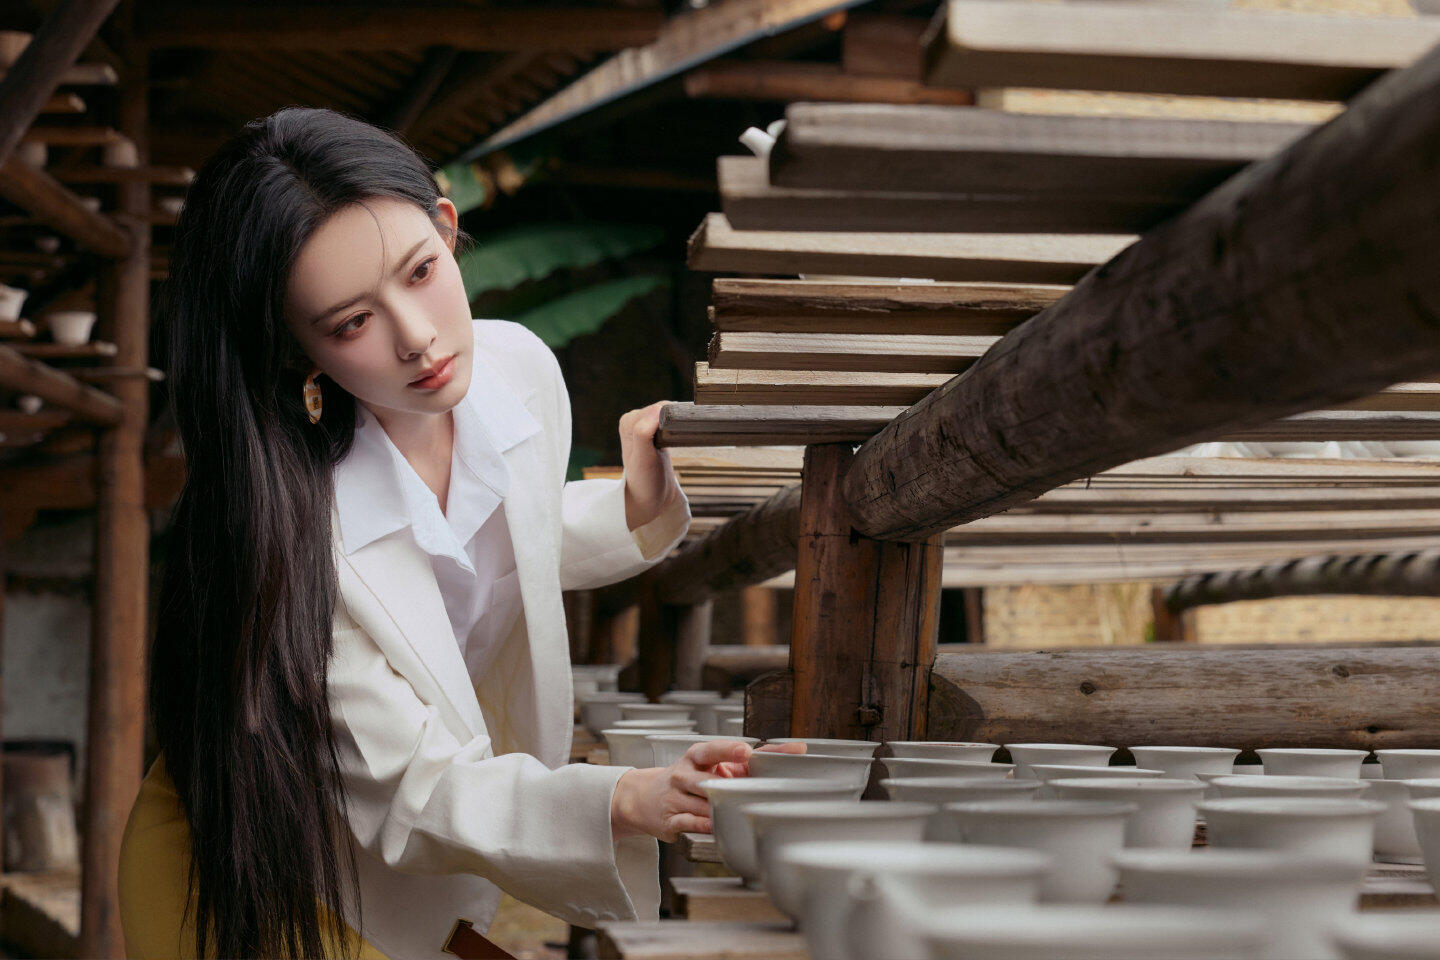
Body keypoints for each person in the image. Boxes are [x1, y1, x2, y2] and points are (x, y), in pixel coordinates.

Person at [117, 106, 778, 960]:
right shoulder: (292, 534)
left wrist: (631, 507)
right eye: (353, 322)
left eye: (422, 271)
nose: (417, 337)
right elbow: (416, 790)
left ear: (447, 223)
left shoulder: (517, 370)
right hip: (257, 868)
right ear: (295, 349)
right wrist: (626, 796)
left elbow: (490, 541)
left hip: (409, 860)